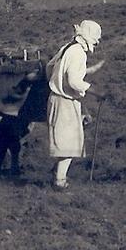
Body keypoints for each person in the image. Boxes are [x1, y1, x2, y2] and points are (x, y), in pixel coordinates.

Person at [46, 20, 106, 189]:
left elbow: (49, 68)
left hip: (56, 98)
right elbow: (73, 81)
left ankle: (57, 175)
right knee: (69, 144)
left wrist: (56, 81)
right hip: (65, 101)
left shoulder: (66, 48)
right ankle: (59, 181)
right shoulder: (78, 53)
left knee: (64, 142)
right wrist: (94, 90)